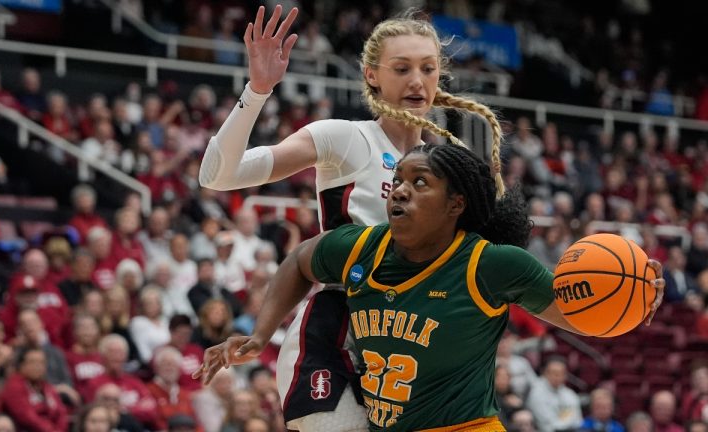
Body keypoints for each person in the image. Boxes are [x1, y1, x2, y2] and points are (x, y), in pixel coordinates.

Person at [197, 143, 666, 431]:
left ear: (455, 203)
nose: (399, 190)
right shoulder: (362, 248)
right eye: (397, 180)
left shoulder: (491, 264)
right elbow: (300, 261)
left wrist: (630, 305)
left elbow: (576, 316)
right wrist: (261, 333)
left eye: (420, 183)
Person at [198, 5, 510, 429]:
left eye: (427, 68)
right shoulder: (345, 138)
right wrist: (256, 90)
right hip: (335, 327)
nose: (417, 81)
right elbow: (218, 175)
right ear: (371, 75)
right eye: (401, 68)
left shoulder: (450, 168)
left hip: (407, 339)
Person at [526, 356, 583, 432]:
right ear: (545, 373)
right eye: (554, 373)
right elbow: (547, 425)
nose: (557, 376)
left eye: (561, 373)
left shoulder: (570, 394)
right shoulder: (536, 393)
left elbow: (577, 421)